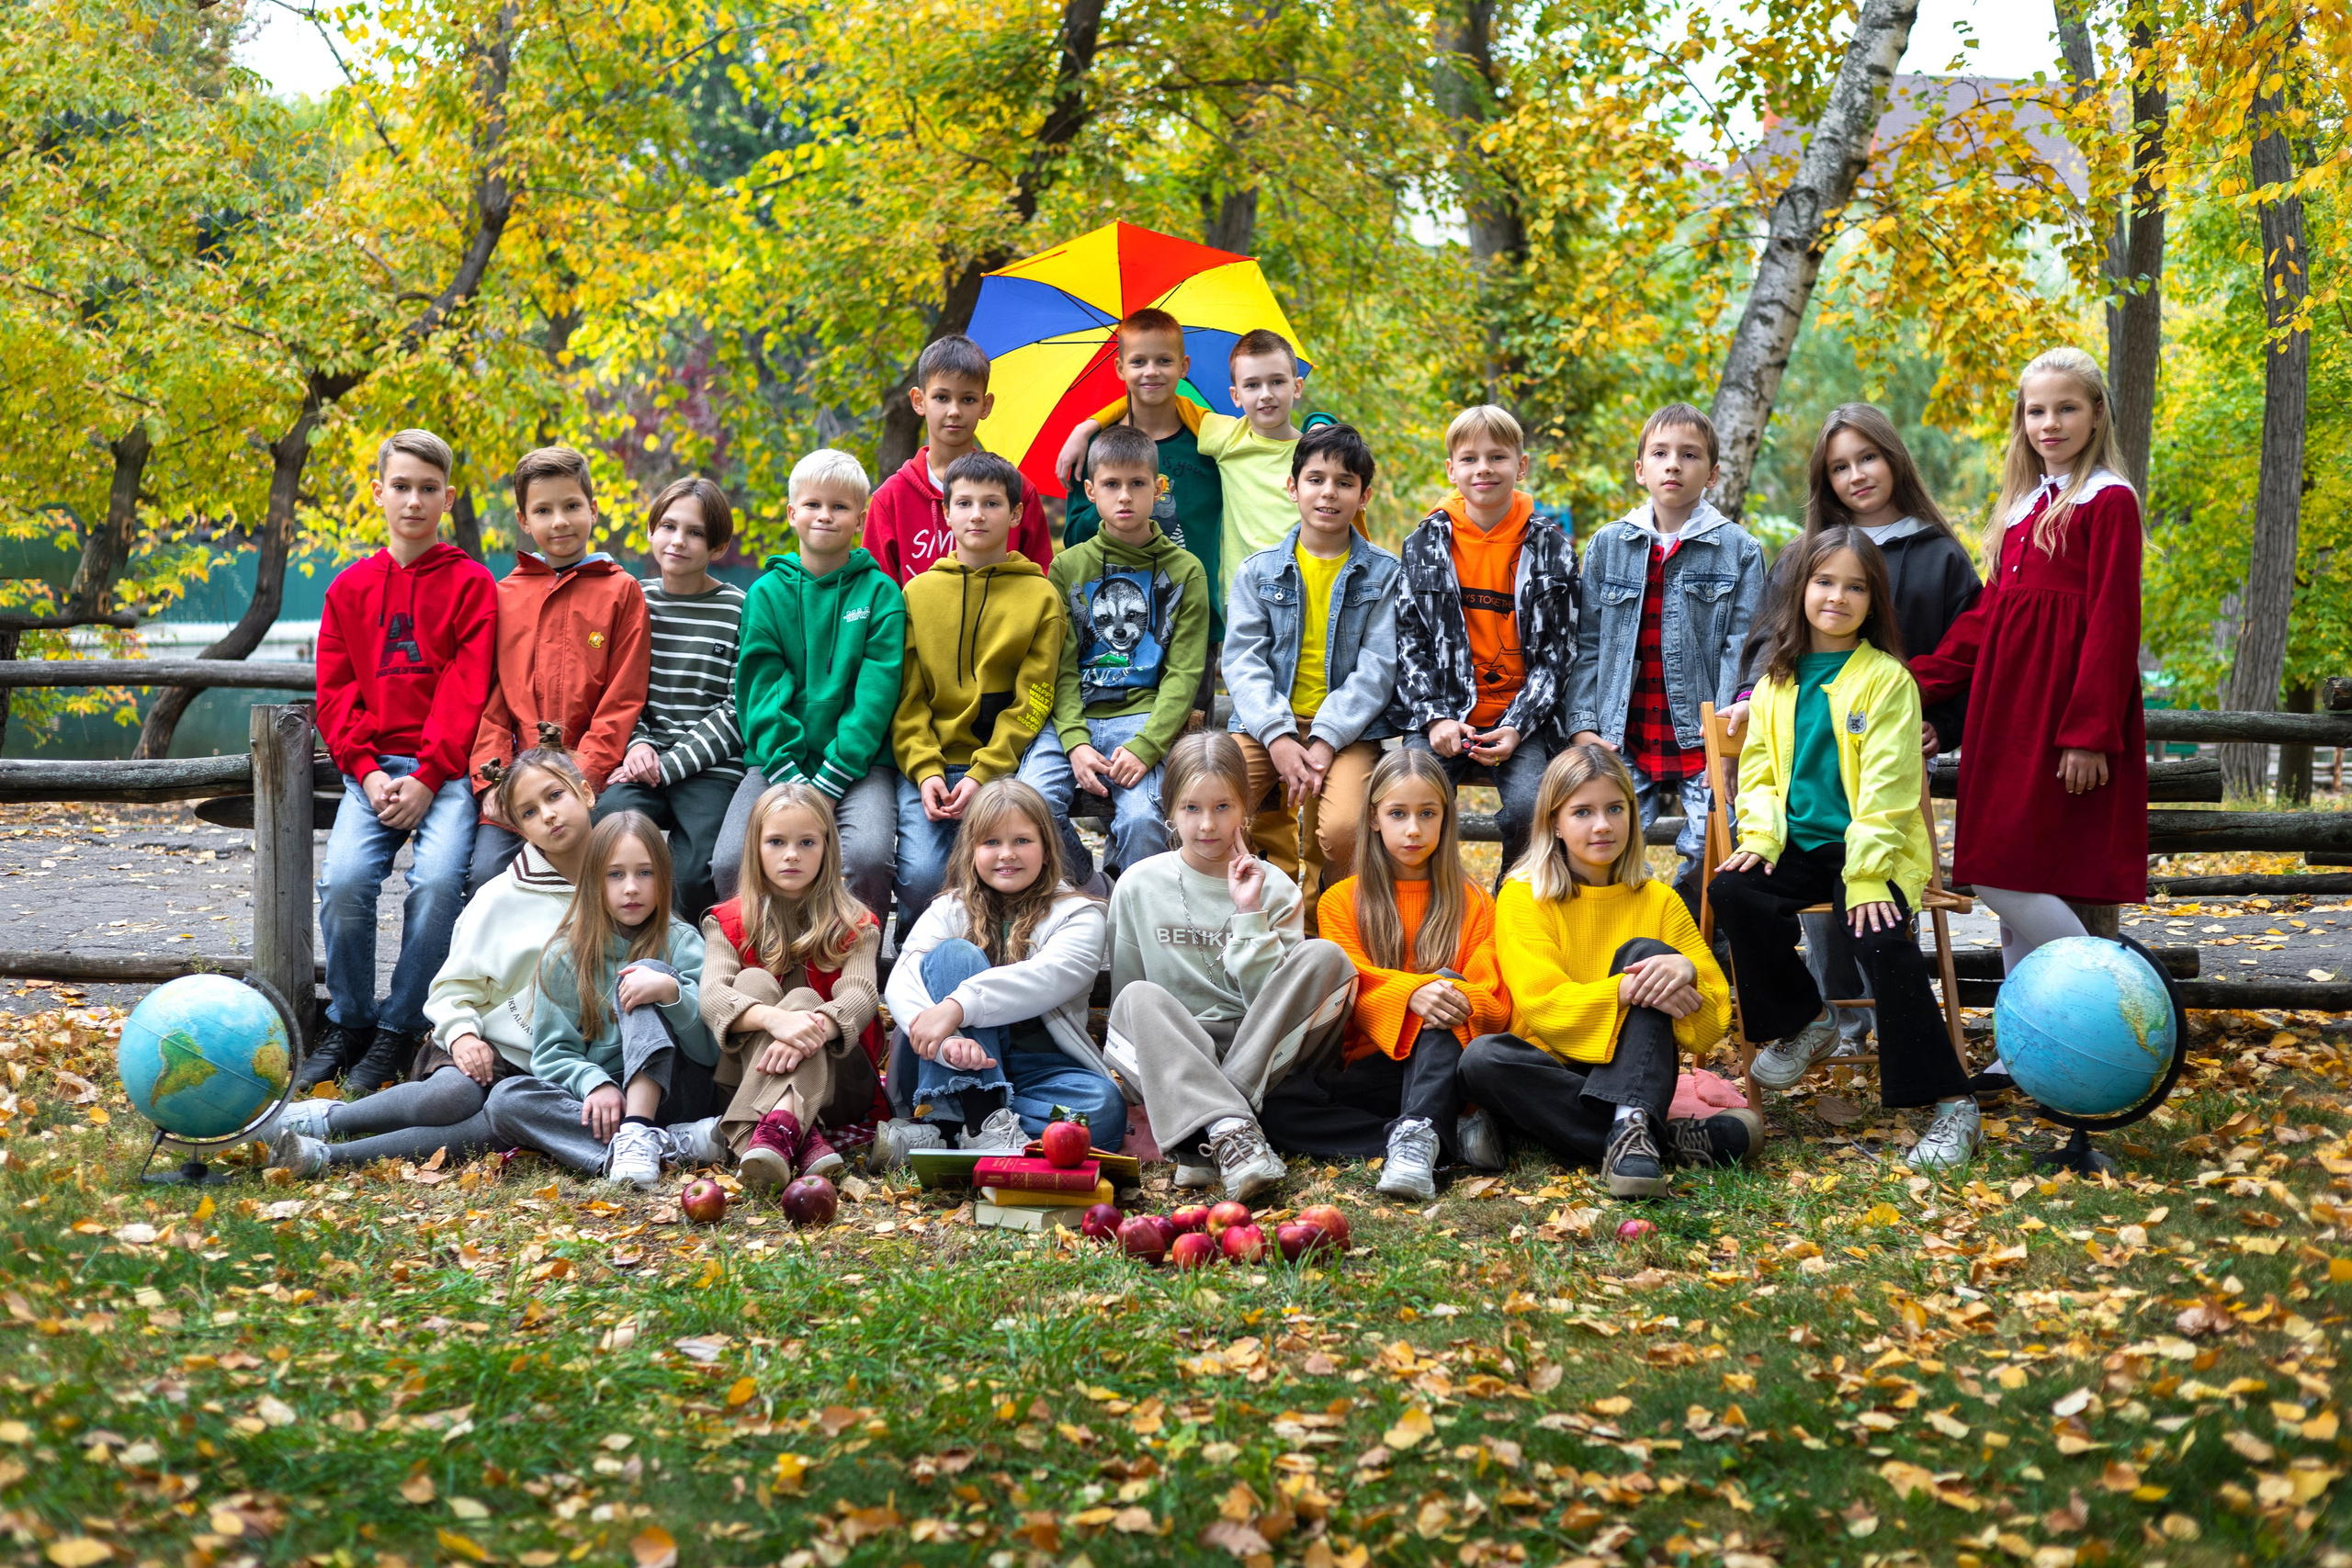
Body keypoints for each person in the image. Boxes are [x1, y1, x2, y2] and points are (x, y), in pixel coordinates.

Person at [1909, 346, 2148, 1098]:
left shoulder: (2108, 500)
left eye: (2066, 408)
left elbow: (2112, 620)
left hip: (2060, 715)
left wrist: (2088, 731)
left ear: (2097, 413)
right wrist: (1910, 683)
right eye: (2037, 410)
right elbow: (1986, 622)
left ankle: (2112, 1010)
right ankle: (2029, 1047)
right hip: (2003, 713)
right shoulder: (2023, 508)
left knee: (2002, 877)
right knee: (2010, 891)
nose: (2050, 423)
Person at [1708, 529, 1978, 1169]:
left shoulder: (1887, 681)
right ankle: (1809, 1021)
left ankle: (1952, 1105)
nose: (1838, 596)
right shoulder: (1776, 679)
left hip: (1871, 849)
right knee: (1733, 888)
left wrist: (1864, 876)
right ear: (1799, 589)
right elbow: (1762, 776)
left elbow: (1888, 791)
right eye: (1825, 581)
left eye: (1855, 586)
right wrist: (1762, 837)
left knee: (1880, 935)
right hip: (1796, 843)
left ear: (1873, 600)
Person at [1724, 405, 1983, 1058]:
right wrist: (1753, 697)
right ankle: (1831, 1021)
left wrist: (1941, 724)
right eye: (1839, 466)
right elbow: (1768, 644)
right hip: (1812, 764)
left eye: (1867, 457)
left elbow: (1974, 650)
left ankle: (1900, 1039)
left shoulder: (1940, 553)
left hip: (1885, 760)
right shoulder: (1804, 555)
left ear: (1895, 458)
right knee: (1819, 921)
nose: (1856, 474)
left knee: (1876, 913)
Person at [269, 729, 591, 1176]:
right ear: (519, 829)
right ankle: (326, 1119)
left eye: (556, 795)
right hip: (488, 1042)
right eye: (530, 812)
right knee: (452, 1095)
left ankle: (325, 1157)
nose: (550, 816)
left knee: (494, 1124)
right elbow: (451, 985)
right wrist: (461, 1034)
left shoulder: (621, 884)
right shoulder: (501, 896)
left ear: (586, 792)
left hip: (564, 1064)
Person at [1460, 744, 1752, 1198]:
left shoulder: (1659, 900)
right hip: (1552, 1065)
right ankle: (1651, 1139)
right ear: (1554, 822)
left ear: (1632, 817)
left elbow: (1709, 1026)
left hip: (1634, 1062)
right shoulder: (1523, 898)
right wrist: (1629, 990)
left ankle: (1629, 1123)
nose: (1602, 825)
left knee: (1651, 953)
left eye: (1615, 808)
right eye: (1582, 812)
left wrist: (1686, 971)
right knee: (1482, 1059)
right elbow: (1544, 1006)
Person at [303, 429, 500, 1094]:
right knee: (347, 880)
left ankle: (401, 1026)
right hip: (373, 773)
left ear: (447, 497)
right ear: (378, 492)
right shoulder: (349, 589)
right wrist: (367, 770)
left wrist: (427, 775)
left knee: (441, 882)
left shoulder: (472, 584)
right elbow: (334, 694)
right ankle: (351, 1019)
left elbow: (467, 688)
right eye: (402, 486)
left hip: (442, 771)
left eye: (428, 488)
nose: (413, 500)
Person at [1104, 732, 1358, 1203]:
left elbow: (1270, 1000)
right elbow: (1127, 999)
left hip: (1257, 1045)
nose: (1207, 825)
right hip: (1176, 1047)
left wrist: (1248, 914)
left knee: (1326, 958)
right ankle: (1233, 1129)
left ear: (1246, 808)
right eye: (1191, 808)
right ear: (1170, 810)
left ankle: (1206, 1127)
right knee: (1138, 997)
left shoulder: (1275, 887)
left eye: (1223, 807)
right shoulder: (1138, 884)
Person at [1259, 749, 1511, 1201]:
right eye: (1398, 813)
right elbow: (1350, 985)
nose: (1412, 829)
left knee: (1446, 992)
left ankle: (1420, 1138)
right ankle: (1434, 1137)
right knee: (1274, 1111)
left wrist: (1435, 993)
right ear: (1374, 818)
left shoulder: (1475, 903)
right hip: (1372, 1069)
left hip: (1446, 1064)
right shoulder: (1340, 901)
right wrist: (1410, 994)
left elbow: (1493, 1001)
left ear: (1444, 819)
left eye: (1427, 813)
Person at [1567, 404, 1764, 908]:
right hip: (1623, 734)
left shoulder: (1738, 550)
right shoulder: (1610, 545)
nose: (1673, 465)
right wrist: (1583, 723)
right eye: (1660, 453)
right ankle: (1631, 928)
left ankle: (1682, 924)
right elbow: (1588, 643)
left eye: (1689, 455)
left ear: (1713, 474)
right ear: (1641, 470)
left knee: (1713, 845)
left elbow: (1741, 647)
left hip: (1702, 734)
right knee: (1606, 843)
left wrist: (1728, 730)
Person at [873, 779, 1127, 1166]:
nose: (1007, 855)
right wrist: (943, 1042)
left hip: (1039, 1067)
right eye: (991, 843)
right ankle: (982, 1124)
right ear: (971, 850)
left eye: (1022, 841)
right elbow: (903, 977)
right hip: (945, 1063)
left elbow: (1047, 978)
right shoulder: (951, 908)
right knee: (956, 954)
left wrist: (958, 1006)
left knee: (1103, 1110)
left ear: (1046, 847)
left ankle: (944, 1130)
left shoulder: (1079, 915)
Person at [483, 814, 727, 1190]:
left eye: (645, 873)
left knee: (643, 973)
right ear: (594, 881)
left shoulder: (684, 942)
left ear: (664, 879)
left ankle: (640, 1132)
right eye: (616, 874)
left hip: (679, 1091)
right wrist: (594, 1083)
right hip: (609, 1105)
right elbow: (551, 1054)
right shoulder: (564, 954)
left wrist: (670, 992)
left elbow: (710, 1051)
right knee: (504, 1101)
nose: (631, 888)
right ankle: (662, 1146)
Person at [1390, 404, 1579, 883]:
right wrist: (1434, 717)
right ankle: (1430, 905)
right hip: (1443, 712)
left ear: (1521, 465)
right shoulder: (1424, 545)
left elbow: (1559, 654)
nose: (1484, 469)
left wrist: (1518, 725)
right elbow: (1408, 642)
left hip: (1521, 719)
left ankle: (1510, 910)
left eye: (1497, 457)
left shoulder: (1551, 549)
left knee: (1529, 809)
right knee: (1410, 801)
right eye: (1470, 459)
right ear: (1451, 469)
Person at [1224, 423, 1400, 927]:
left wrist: (1324, 738)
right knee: (1215, 799)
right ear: (1292, 486)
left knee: (1345, 827)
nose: (1329, 492)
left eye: (1345, 482)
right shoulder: (1258, 572)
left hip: (1348, 732)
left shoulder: (1384, 574)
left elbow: (1378, 667)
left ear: (1364, 495)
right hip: (1263, 727)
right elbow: (1243, 660)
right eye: (1316, 479)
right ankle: (1252, 903)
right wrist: (1279, 736)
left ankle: (1330, 912)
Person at [714, 449, 905, 915]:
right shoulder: (766, 594)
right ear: (792, 513)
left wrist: (830, 779)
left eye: (840, 507)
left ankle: (861, 971)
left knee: (868, 857)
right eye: (814, 504)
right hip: (776, 763)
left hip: (859, 767)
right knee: (728, 861)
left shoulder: (881, 594)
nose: (826, 515)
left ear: (860, 520)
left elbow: (875, 696)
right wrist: (790, 778)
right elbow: (759, 691)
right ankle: (756, 962)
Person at [889, 451, 1075, 927]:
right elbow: (905, 700)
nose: (977, 515)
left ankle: (1009, 958)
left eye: (992, 504)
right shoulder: (916, 595)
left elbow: (1035, 699)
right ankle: (919, 965)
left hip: (1002, 765)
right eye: (965, 503)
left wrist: (983, 774)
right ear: (946, 512)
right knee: (924, 875)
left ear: (1015, 514)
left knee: (1001, 871)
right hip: (929, 765)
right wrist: (926, 769)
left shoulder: (1040, 598)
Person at [469, 446, 651, 889]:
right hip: (516, 783)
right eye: (544, 510)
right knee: (487, 876)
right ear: (524, 521)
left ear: (592, 508)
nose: (560, 522)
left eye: (571, 506)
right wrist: (492, 782)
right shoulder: (505, 595)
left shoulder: (621, 591)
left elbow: (623, 699)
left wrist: (580, 775)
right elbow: (492, 702)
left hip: (595, 782)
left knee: (590, 881)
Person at [1058, 328, 1340, 603]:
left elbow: (1167, 398)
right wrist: (1087, 427)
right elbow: (1148, 394)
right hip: (1242, 599)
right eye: (1252, 385)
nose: (1265, 394)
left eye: (1277, 382)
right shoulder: (1228, 438)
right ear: (1236, 395)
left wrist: (1321, 425)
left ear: (1183, 367)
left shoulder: (1225, 439)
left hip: (1302, 588)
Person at [699, 781, 885, 1189]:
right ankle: (797, 1136)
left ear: (827, 848)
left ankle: (764, 1131)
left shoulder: (856, 924)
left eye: (806, 842)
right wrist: (774, 1021)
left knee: (803, 998)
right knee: (752, 981)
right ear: (755, 848)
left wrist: (808, 1026)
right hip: (749, 1073)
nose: (791, 855)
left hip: (842, 1086)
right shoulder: (726, 921)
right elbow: (712, 997)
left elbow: (861, 995)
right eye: (776, 842)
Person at [1046, 423, 1211, 879]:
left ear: (1158, 489)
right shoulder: (1068, 568)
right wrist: (1075, 741)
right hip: (1071, 718)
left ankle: (1129, 913)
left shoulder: (1185, 572)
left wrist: (1147, 745)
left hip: (1142, 718)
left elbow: (1183, 675)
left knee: (1142, 820)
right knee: (1033, 806)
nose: (1124, 497)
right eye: (1111, 485)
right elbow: (1057, 668)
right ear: (1090, 490)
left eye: (1137, 484)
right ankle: (1093, 886)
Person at [594, 477, 745, 923]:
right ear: (651, 532)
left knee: (697, 868)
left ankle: (681, 963)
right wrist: (637, 743)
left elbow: (737, 709)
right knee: (607, 822)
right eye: (668, 526)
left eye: (695, 532)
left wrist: (669, 765)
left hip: (710, 768)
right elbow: (618, 690)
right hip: (639, 760)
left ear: (717, 547)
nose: (679, 541)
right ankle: (611, 950)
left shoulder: (739, 609)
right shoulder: (632, 599)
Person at [1060, 308, 1227, 655]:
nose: (1151, 372)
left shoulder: (1212, 444)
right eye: (1138, 362)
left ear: (1183, 366)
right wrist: (1122, 507)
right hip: (1113, 626)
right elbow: (1074, 536)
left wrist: (1319, 423)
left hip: (1192, 622)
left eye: (1164, 361)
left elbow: (1272, 449)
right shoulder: (1095, 448)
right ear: (1120, 368)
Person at [865, 334, 1053, 584]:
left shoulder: (1016, 489)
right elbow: (877, 598)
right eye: (942, 398)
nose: (954, 411)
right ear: (919, 401)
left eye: (968, 399)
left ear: (985, 405)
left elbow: (1042, 583)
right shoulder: (890, 499)